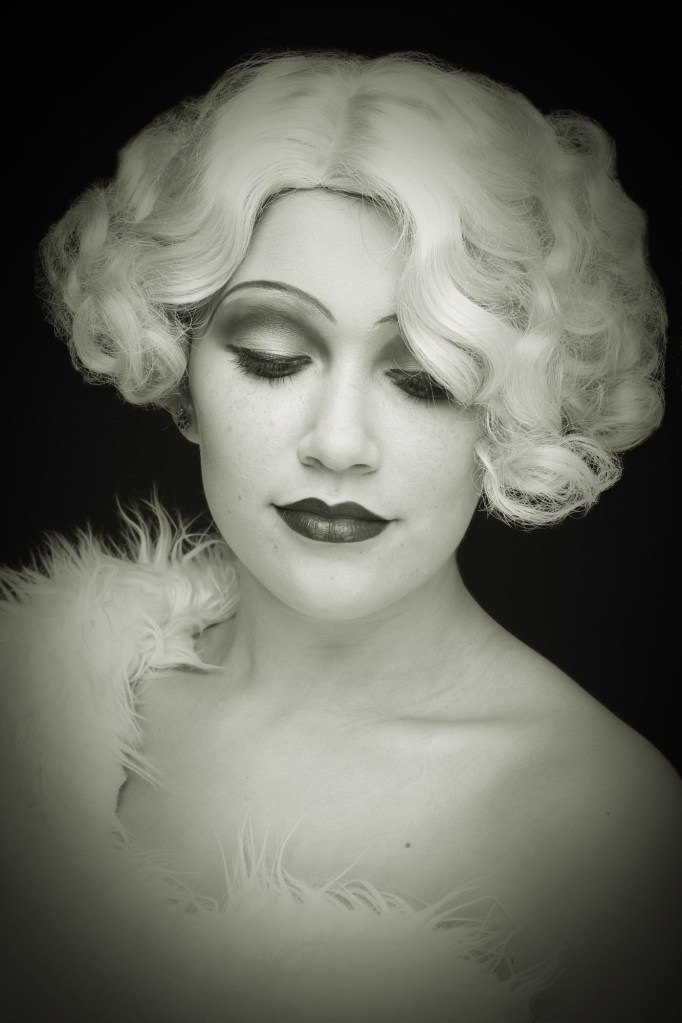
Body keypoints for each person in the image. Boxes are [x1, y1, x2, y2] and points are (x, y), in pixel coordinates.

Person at [1, 49, 680, 1023]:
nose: (339, 443)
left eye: (422, 378)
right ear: (183, 368)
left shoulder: (602, 827)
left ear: (510, 411)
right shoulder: (31, 696)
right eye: (273, 357)